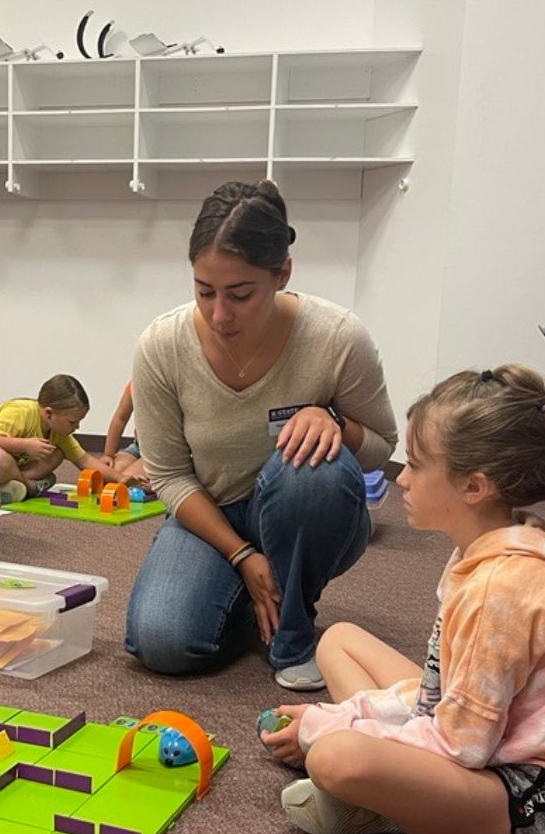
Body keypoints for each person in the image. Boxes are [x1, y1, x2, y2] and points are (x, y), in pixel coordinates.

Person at [263, 365, 545, 834]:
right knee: (340, 639)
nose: (402, 478)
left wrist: (325, 729)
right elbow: (441, 696)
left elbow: (462, 746)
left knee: (334, 758)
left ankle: (391, 806)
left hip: (531, 797)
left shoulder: (499, 589)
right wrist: (346, 714)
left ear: (475, 487)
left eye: (415, 464)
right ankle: (398, 792)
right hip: (489, 736)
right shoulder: (488, 546)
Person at [126, 180, 397, 689]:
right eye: (204, 291)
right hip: (212, 508)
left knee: (311, 469)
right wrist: (240, 555)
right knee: (163, 641)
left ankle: (294, 628)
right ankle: (255, 595)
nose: (219, 314)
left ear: (282, 274)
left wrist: (335, 423)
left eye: (241, 294)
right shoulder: (162, 344)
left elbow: (383, 449)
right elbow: (168, 476)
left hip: (303, 505)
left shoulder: (337, 337)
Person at [0, 374, 120, 503]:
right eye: (72, 422)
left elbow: (85, 460)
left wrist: (121, 478)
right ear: (49, 413)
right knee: (0, 458)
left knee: (57, 454)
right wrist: (24, 445)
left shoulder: (59, 433)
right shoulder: (20, 412)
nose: (77, 427)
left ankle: (12, 485)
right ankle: (31, 487)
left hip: (11, 471)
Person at [102, 381, 148, 486]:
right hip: (138, 447)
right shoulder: (137, 381)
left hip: (161, 454)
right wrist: (108, 455)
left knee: (125, 481)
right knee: (109, 475)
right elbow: (120, 419)